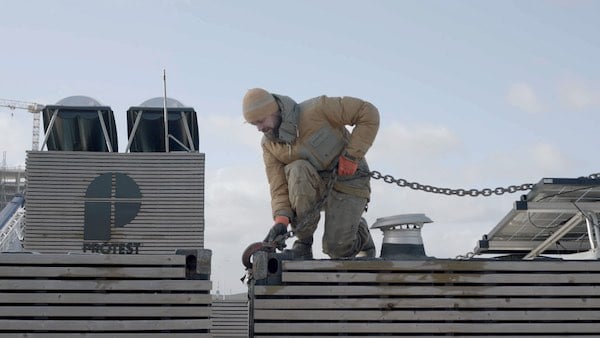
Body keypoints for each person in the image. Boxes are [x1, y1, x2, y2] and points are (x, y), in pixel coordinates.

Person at [242, 88, 380, 259]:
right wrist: (281, 221)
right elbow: (278, 187)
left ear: (274, 110)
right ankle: (303, 244)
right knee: (297, 169)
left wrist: (352, 156)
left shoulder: (317, 110)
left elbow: (368, 113)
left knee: (337, 249)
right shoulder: (269, 145)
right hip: (312, 187)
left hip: (349, 180)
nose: (259, 128)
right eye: (254, 124)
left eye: (261, 121)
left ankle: (360, 233)